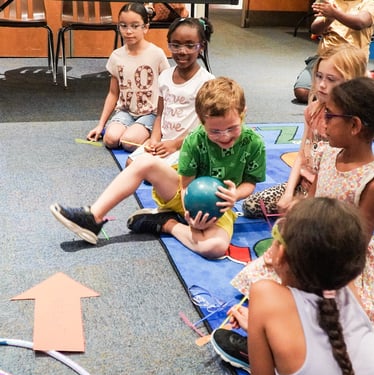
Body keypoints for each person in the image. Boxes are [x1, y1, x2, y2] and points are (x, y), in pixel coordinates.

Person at [217, 77, 374, 370]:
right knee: (263, 277)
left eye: (330, 116)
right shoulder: (328, 154)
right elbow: (309, 203)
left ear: (354, 126)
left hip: (340, 260)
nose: (323, 123)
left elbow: (357, 243)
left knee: (335, 316)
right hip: (309, 239)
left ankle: (273, 352)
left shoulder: (372, 180)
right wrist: (288, 235)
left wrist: (309, 258)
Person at [50, 77, 266, 259]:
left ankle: (166, 223)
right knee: (143, 162)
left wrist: (234, 195)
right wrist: (190, 214)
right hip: (183, 194)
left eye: (232, 128)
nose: (225, 136)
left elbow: (250, 183)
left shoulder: (254, 143)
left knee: (215, 249)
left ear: (243, 113)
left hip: (219, 208)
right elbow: (185, 183)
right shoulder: (194, 140)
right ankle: (93, 217)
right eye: (215, 132)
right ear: (201, 121)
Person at [219, 197, 374, 375]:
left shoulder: (265, 294)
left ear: (280, 253)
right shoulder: (344, 282)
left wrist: (259, 336)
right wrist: (263, 331)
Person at [243, 44, 367, 218]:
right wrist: (288, 193)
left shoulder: (348, 123)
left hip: (330, 193)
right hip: (303, 185)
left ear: (350, 82)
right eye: (319, 76)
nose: (322, 85)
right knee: (251, 206)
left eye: (331, 79)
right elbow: (301, 155)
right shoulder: (313, 110)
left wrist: (306, 204)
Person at [127, 17, 215, 167]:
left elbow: (207, 127)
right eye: (176, 45)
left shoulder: (207, 82)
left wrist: (175, 144)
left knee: (155, 172)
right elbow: (160, 114)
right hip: (164, 143)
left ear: (202, 47)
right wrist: (154, 140)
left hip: (188, 145)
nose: (182, 51)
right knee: (131, 164)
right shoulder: (165, 77)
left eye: (190, 45)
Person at [86, 3, 169, 152]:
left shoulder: (157, 54)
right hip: (125, 112)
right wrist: (101, 125)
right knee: (110, 140)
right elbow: (113, 93)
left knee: (128, 143)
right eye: (123, 26)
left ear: (146, 27)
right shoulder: (116, 56)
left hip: (151, 113)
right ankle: (131, 130)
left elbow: (168, 88)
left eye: (135, 26)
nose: (128, 31)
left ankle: (150, 137)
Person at [293, 0, 374, 104]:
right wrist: (328, 19)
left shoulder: (369, 2)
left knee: (354, 94)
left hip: (351, 60)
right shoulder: (329, 1)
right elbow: (315, 29)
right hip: (324, 58)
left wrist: (335, 13)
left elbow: (360, 23)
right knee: (302, 92)